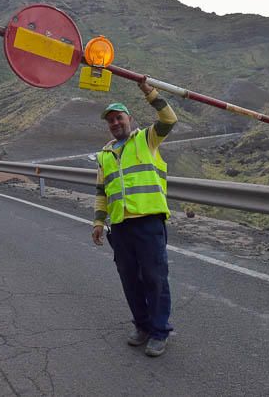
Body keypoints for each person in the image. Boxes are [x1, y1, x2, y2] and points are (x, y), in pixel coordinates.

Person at [92, 78, 178, 357]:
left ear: (129, 118)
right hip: (120, 227)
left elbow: (169, 118)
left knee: (154, 278)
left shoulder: (147, 139)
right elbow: (102, 192)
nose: (115, 123)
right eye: (110, 121)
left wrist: (148, 91)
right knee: (130, 280)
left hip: (148, 223)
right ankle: (142, 326)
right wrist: (97, 222)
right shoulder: (104, 155)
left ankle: (159, 331)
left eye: (119, 118)